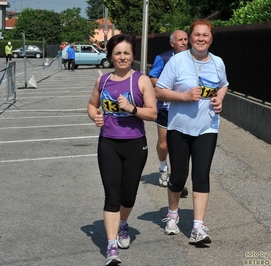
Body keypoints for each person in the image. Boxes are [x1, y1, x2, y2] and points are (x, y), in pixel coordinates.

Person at [155, 19, 229, 245]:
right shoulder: (177, 61)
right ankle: (172, 214)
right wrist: (184, 97)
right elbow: (159, 91)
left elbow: (224, 84)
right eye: (196, 35)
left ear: (211, 39)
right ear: (190, 37)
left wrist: (219, 100)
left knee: (201, 174)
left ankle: (198, 226)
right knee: (179, 176)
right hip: (179, 127)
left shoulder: (217, 62)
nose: (200, 39)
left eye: (205, 35)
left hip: (207, 127)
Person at [87, 33, 157, 266]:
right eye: (117, 53)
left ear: (133, 55)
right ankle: (111, 246)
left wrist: (131, 108)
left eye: (126, 52)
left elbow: (153, 113)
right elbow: (92, 104)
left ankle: (123, 224)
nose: (122, 57)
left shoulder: (141, 80)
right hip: (108, 143)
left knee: (129, 195)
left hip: (135, 143)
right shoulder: (103, 81)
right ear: (110, 56)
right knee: (112, 195)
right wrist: (95, 117)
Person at [149, 30, 189, 191]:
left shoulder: (194, 58)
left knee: (181, 145)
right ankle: (163, 168)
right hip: (165, 108)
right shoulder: (163, 58)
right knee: (164, 143)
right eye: (181, 40)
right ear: (172, 43)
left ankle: (178, 178)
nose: (184, 42)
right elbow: (152, 78)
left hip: (185, 108)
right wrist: (171, 87)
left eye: (186, 39)